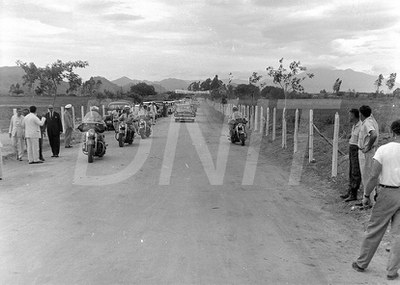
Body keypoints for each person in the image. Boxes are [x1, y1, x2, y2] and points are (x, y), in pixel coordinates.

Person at [352, 119, 400, 281]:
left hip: (387, 192)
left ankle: (362, 263)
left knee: (375, 229)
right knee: (398, 235)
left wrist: (366, 195)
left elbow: (373, 176)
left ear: (392, 132)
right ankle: (392, 272)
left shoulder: (383, 150)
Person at [358, 105, 379, 201]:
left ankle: (368, 200)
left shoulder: (367, 123)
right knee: (367, 175)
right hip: (368, 151)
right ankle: (368, 199)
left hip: (367, 152)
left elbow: (373, 134)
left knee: (367, 176)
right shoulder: (371, 121)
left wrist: (367, 147)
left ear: (361, 114)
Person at [341, 109, 362, 201]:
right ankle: (350, 191)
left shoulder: (361, 126)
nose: (349, 117)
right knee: (351, 171)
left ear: (354, 116)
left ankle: (354, 194)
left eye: (350, 115)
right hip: (352, 148)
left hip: (356, 149)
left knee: (355, 171)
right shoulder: (354, 126)